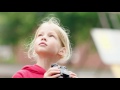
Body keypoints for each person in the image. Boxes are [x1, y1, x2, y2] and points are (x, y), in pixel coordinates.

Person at [12, 16, 78, 78]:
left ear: (62, 51)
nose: (43, 37)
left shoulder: (63, 76)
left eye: (51, 35)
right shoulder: (22, 75)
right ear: (34, 47)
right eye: (40, 35)